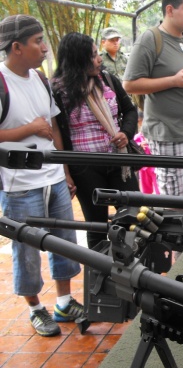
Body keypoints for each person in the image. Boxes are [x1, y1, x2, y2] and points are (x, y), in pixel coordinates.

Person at [0, 15, 83, 337]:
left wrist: (64, 170)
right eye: (37, 42)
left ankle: (64, 301)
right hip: (19, 185)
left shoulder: (39, 78)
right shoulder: (2, 81)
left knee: (65, 242)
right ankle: (36, 308)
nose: (45, 48)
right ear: (17, 47)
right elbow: (37, 127)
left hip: (52, 178)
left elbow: (54, 125)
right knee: (27, 249)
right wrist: (28, 130)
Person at [52, 32, 140, 251]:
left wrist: (126, 133)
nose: (99, 59)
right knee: (96, 225)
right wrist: (66, 172)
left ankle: (130, 271)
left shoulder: (108, 80)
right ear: (76, 59)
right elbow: (58, 135)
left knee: (131, 218)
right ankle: (100, 278)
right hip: (86, 167)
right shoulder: (57, 92)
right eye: (92, 56)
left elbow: (130, 110)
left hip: (120, 163)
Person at [123, 0, 183, 197]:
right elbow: (129, 84)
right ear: (170, 10)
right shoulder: (150, 39)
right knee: (175, 204)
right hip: (170, 136)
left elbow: (181, 77)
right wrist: (173, 80)